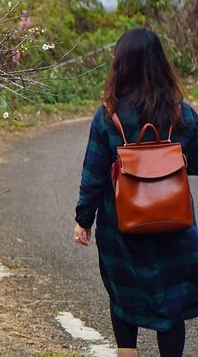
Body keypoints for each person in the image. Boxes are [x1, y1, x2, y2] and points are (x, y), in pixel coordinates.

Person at [74, 27, 198, 357]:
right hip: (175, 226)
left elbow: (94, 175)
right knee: (170, 308)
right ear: (161, 64)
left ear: (121, 65)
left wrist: (83, 220)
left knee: (123, 298)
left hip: (122, 230)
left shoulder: (108, 118)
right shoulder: (181, 114)